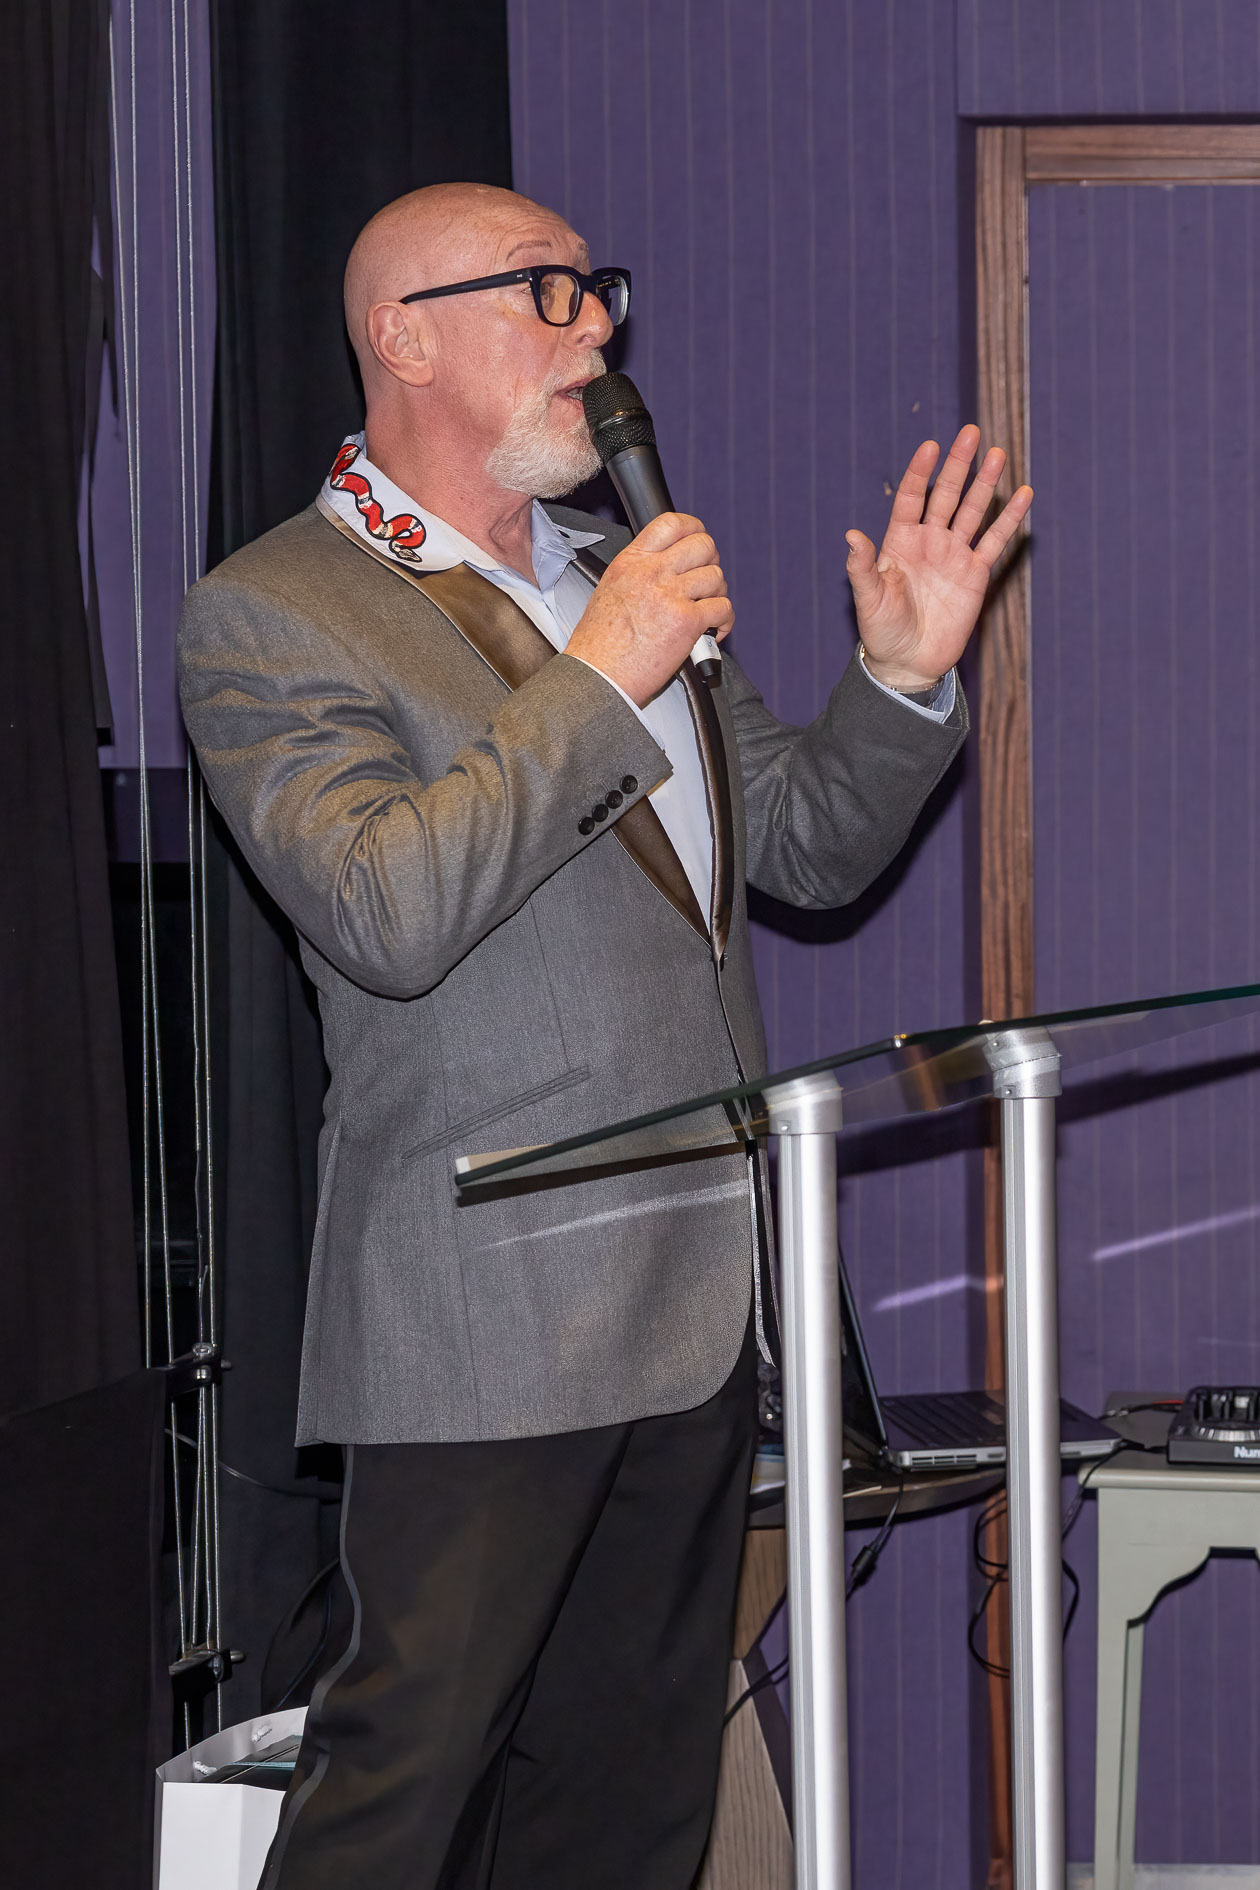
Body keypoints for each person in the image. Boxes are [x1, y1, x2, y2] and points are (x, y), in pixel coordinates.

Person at [178, 181, 1031, 1890]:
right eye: (547, 292)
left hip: (693, 1307)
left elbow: (801, 846)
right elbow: (384, 905)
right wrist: (601, 671)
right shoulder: (278, 609)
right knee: (397, 1805)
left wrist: (901, 678)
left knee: (629, 1812)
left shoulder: (609, 572)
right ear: (403, 338)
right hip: (485, 1315)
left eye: (600, 290)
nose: (600, 328)